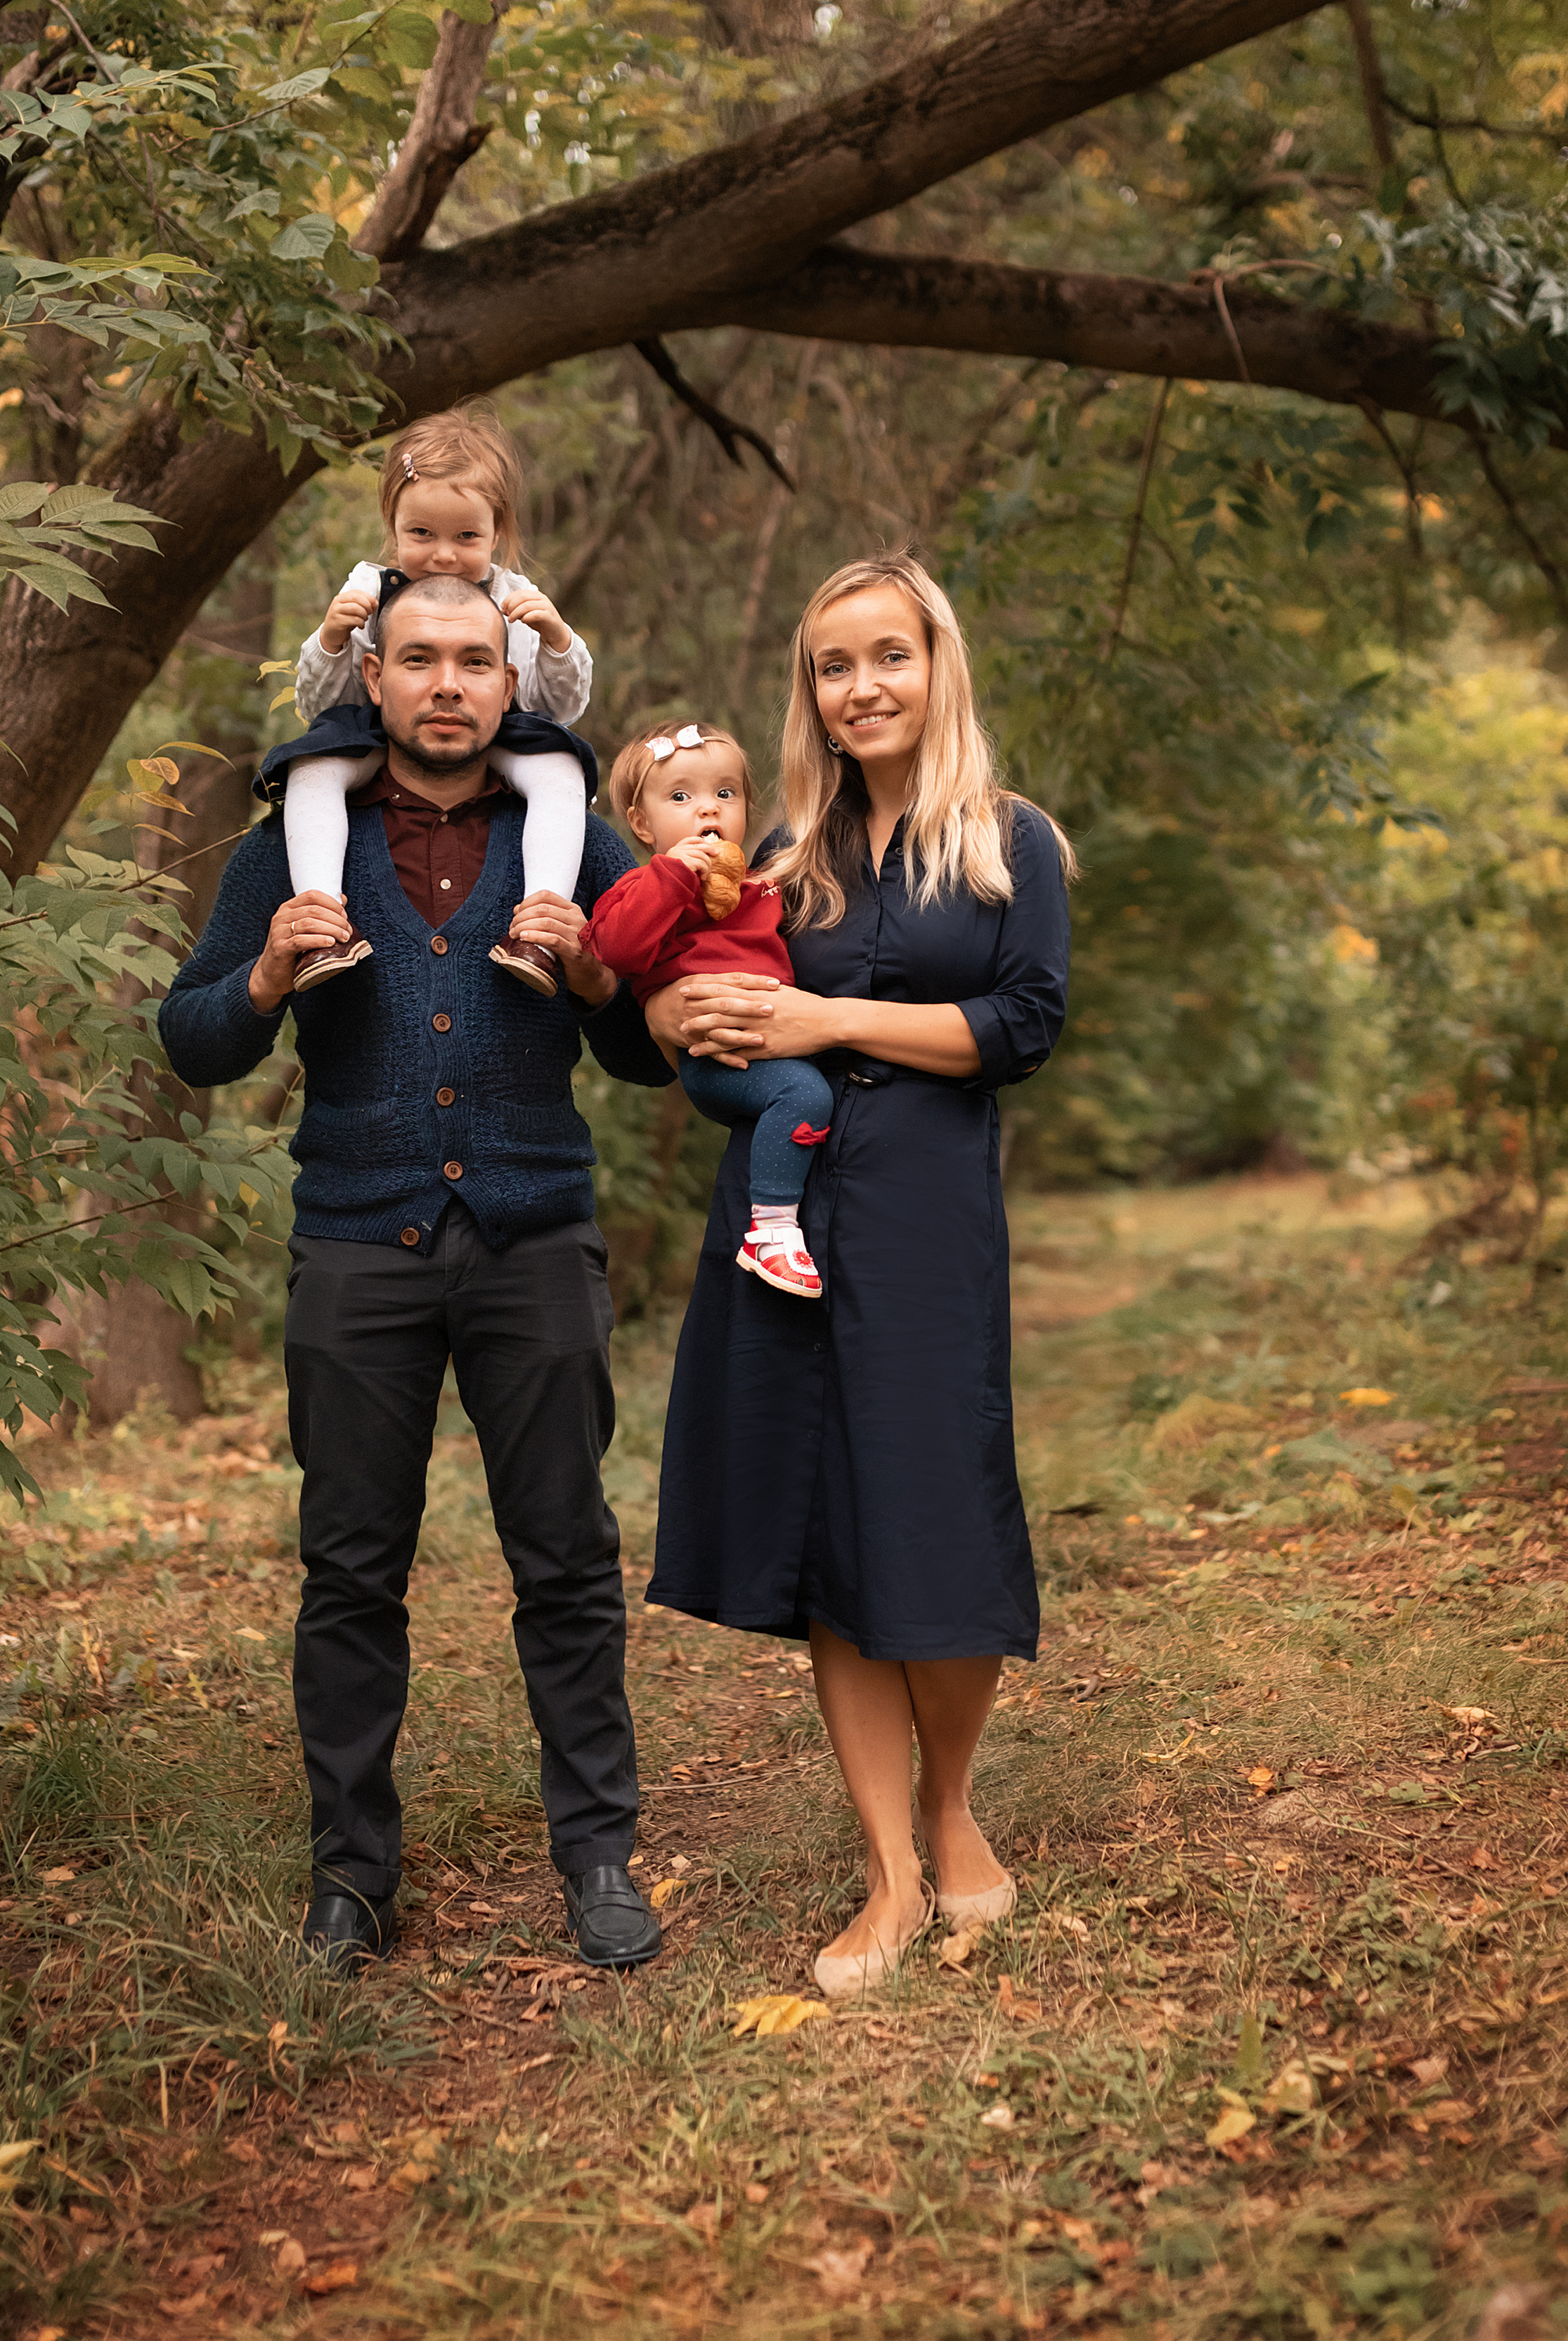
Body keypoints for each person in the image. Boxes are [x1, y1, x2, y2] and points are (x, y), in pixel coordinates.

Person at [157, 572, 671, 1978]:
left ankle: (597, 1858)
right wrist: (261, 979)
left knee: (564, 1562)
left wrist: (598, 985)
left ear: (511, 686)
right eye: (418, 662)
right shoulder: (290, 848)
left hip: (536, 1242)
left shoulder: (576, 846)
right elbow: (192, 1040)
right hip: (353, 1246)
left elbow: (651, 1056)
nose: (446, 685)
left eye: (473, 663)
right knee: (349, 1574)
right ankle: (352, 1882)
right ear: (369, 681)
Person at [642, 558, 1073, 2000]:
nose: (861, 686)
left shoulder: (1011, 844)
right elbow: (695, 987)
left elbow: (1021, 1024)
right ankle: (888, 1871)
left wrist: (827, 1012)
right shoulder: (776, 851)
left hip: (928, 1212)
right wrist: (680, 1010)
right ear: (810, 693)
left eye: (886, 655)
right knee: (825, 1521)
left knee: (931, 1504)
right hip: (785, 1215)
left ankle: (954, 1810)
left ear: (935, 665)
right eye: (833, 666)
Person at [276, 406, 592, 998]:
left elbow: (561, 707)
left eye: (466, 536)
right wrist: (332, 638)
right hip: (387, 738)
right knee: (310, 768)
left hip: (497, 738)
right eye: (422, 534)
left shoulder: (517, 598)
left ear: (498, 534)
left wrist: (557, 640)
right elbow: (323, 704)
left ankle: (539, 930)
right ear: (393, 526)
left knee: (562, 769)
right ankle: (322, 927)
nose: (444, 555)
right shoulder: (368, 589)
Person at [583, 717, 833, 1298]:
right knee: (805, 1094)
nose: (708, 811)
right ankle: (771, 1233)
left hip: (771, 1042)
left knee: (814, 1088)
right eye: (681, 797)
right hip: (714, 1057)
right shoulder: (643, 886)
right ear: (642, 824)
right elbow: (616, 949)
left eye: (726, 794)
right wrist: (672, 878)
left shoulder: (765, 886)